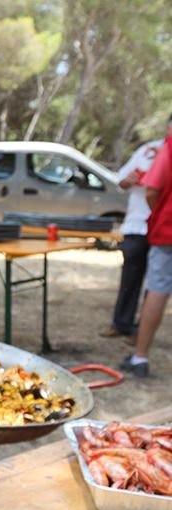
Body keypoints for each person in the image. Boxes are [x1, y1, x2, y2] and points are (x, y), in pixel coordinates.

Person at [102, 117, 172, 339]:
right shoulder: (148, 150)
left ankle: (142, 333)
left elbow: (153, 192)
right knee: (131, 279)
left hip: (160, 227)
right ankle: (122, 323)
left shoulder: (166, 152)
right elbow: (122, 180)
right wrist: (130, 180)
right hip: (138, 225)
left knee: (156, 285)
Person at [121, 132, 172, 378]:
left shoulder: (168, 147)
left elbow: (152, 190)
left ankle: (140, 357)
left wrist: (159, 215)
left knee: (157, 290)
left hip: (168, 232)